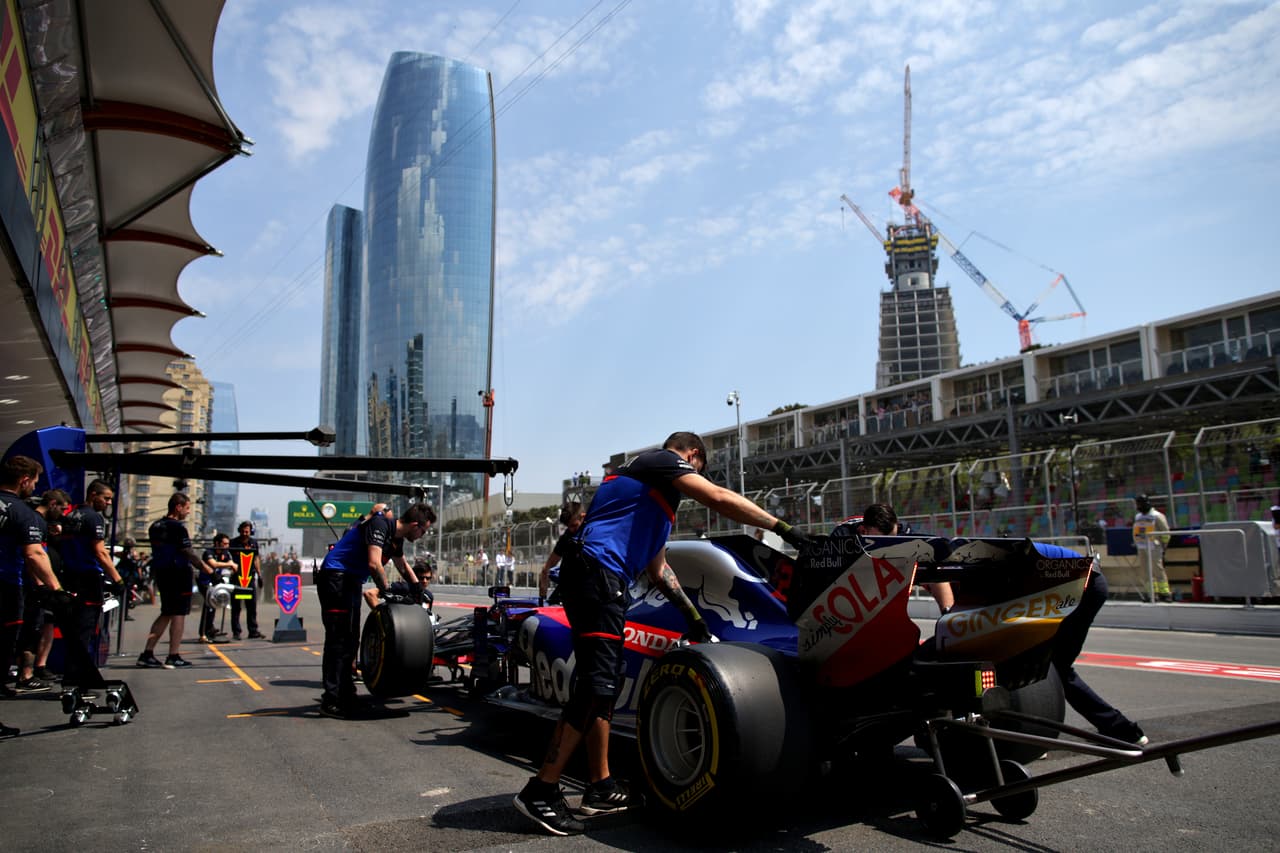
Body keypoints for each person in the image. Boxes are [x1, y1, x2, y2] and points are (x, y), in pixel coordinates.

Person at [514, 431, 812, 836]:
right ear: (692, 456)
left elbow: (659, 570)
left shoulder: (647, 497)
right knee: (596, 686)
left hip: (598, 577)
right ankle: (541, 789)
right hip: (599, 576)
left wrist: (694, 618)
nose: (694, 481)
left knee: (603, 682)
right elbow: (719, 499)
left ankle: (600, 785)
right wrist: (786, 531)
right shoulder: (661, 461)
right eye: (697, 469)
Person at [317, 503, 434, 719]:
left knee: (351, 639)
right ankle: (330, 700)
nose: (422, 535)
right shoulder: (380, 524)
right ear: (415, 525)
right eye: (423, 531)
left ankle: (346, 695)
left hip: (350, 580)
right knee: (338, 640)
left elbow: (402, 565)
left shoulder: (396, 538)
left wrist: (418, 588)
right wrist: (386, 590)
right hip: (335, 577)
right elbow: (374, 563)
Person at [1050, 548, 1148, 746]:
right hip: (1086, 581)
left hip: (1079, 585)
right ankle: (1120, 729)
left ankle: (1120, 729)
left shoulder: (981, 554)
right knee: (1051, 667)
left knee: (1052, 667)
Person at [0, 456, 68, 735]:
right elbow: (34, 554)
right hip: (4, 587)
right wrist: (57, 589)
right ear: (24, 480)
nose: (34, 487)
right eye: (35, 482)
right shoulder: (21, 512)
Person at [55, 479, 126, 688]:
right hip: (87, 579)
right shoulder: (94, 518)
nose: (108, 503)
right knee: (85, 630)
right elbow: (100, 552)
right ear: (93, 495)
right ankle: (78, 679)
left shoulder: (70, 515)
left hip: (69, 577)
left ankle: (70, 676)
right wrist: (118, 579)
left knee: (74, 631)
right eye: (106, 498)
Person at [137, 493, 213, 669]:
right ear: (178, 507)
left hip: (162, 573)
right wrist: (205, 568)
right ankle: (173, 655)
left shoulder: (155, 526)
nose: (188, 512)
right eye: (187, 508)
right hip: (178, 573)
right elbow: (188, 551)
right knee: (179, 613)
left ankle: (147, 653)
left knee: (167, 612)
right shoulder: (177, 527)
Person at [14, 489, 70, 692]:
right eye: (62, 509)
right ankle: (25, 675)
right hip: (31, 587)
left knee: (35, 628)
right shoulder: (34, 520)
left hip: (35, 586)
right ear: (53, 503)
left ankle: (27, 672)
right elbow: (32, 555)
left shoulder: (42, 523)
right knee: (30, 630)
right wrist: (43, 585)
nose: (63, 514)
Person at [539, 502, 585, 604]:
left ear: (583, 516)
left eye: (574, 525)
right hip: (569, 591)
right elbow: (547, 568)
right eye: (569, 526)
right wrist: (542, 597)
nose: (572, 530)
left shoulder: (595, 533)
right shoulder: (567, 538)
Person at [229, 521, 265, 640]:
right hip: (237, 578)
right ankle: (236, 631)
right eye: (243, 531)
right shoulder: (233, 542)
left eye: (247, 532)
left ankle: (253, 630)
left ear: (250, 532)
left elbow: (256, 559)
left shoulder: (253, 543)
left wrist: (259, 575)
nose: (245, 533)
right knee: (236, 606)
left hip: (250, 578)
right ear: (239, 531)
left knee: (251, 606)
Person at [1132, 494, 1171, 602]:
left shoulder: (1157, 516)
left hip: (1155, 546)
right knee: (1145, 571)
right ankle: (1152, 594)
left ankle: (1165, 593)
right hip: (1141, 546)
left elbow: (1165, 532)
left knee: (1158, 569)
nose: (1138, 506)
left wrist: (1164, 546)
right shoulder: (1138, 517)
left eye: (1139, 504)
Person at [198, 533, 236, 642]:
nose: (226, 546)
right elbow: (213, 564)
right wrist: (229, 564)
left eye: (227, 544)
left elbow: (233, 565)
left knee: (214, 605)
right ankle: (203, 633)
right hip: (205, 582)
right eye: (224, 544)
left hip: (217, 583)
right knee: (208, 605)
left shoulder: (226, 553)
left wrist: (231, 567)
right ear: (217, 543)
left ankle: (210, 628)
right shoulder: (208, 552)